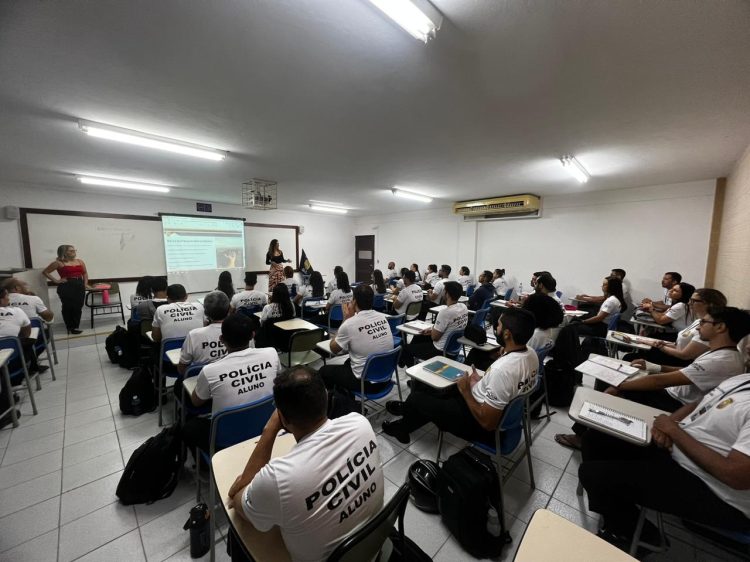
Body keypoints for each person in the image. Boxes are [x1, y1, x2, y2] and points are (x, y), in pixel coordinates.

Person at [579, 371, 750, 552]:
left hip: (714, 489)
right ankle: (617, 517)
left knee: (593, 475)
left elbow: (736, 475)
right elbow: (698, 404)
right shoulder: (742, 379)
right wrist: (670, 423)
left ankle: (638, 537)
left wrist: (674, 431)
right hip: (680, 450)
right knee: (595, 439)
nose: (747, 345)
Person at [228, 367, 384, 562]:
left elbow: (238, 500)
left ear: (283, 418)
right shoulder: (360, 423)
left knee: (235, 532)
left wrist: (270, 429)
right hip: (371, 546)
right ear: (326, 399)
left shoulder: (278, 477)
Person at [555, 306, 750, 452]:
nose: (699, 327)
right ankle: (588, 431)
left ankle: (587, 437)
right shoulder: (721, 353)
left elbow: (661, 382)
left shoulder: (723, 360)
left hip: (674, 402)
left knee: (612, 387)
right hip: (673, 394)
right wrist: (655, 367)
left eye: (704, 322)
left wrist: (623, 384)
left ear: (721, 327)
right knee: (614, 382)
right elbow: (688, 371)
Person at [382, 307, 539, 445]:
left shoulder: (503, 370)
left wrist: (466, 391)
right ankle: (410, 412)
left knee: (418, 398)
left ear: (507, 334)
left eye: (498, 325)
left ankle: (403, 426)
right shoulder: (531, 354)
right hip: (489, 405)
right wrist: (480, 382)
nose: (495, 328)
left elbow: (487, 423)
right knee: (430, 388)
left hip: (475, 423)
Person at [183, 314, 280, 457]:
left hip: (226, 439)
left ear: (222, 340)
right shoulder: (271, 353)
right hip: (267, 425)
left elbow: (196, 402)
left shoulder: (210, 370)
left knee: (189, 427)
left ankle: (205, 464)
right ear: (252, 335)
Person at [319, 285, 394, 394]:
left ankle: (342, 401)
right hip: (385, 377)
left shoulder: (350, 324)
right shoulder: (383, 317)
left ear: (354, 302)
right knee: (347, 363)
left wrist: (345, 319)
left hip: (366, 383)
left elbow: (333, 348)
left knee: (324, 371)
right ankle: (346, 395)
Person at [625, 288, 727, 367]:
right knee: (638, 353)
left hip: (680, 362)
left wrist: (660, 346)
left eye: (693, 301)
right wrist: (644, 341)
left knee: (631, 357)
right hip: (675, 353)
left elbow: (684, 355)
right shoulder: (698, 321)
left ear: (708, 304)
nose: (689, 303)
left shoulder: (710, 327)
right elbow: (678, 344)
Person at [402, 281, 468, 367]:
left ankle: (415, 376)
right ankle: (409, 357)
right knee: (419, 337)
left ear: (447, 294)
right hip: (453, 346)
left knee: (405, 349)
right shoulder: (463, 307)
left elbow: (435, 337)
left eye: (444, 290)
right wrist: (432, 330)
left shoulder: (445, 312)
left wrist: (432, 331)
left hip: (440, 350)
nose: (442, 292)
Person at [0, 287, 32, 429]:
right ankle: (6, 410)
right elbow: (27, 334)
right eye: (7, 296)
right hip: (13, 362)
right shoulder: (17, 311)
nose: (9, 299)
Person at [178, 291, 230, 375]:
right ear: (229, 310)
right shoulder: (240, 331)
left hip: (202, 379)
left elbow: (182, 368)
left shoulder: (194, 335)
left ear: (205, 312)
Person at [42, 244, 90, 334]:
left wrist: (85, 284)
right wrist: (56, 281)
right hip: (66, 286)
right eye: (71, 251)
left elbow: (85, 273)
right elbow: (45, 272)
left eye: (74, 250)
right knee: (68, 307)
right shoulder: (58, 263)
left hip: (79, 285)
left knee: (77, 307)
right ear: (64, 252)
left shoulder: (80, 261)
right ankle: (69, 327)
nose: (74, 252)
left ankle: (75, 327)